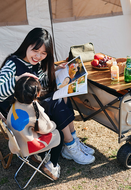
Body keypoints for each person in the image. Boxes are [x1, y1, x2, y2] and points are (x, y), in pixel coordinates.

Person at [0, 27, 95, 165]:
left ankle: (73, 139)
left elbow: (40, 81)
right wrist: (17, 79)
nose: (38, 56)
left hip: (30, 108)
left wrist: (56, 71)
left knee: (62, 95)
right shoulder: (12, 63)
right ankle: (70, 145)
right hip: (17, 114)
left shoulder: (35, 64)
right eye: (35, 50)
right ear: (27, 45)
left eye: (43, 53)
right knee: (55, 102)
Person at [7, 76, 63, 180]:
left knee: (36, 131)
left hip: (17, 144)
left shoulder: (14, 103)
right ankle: (52, 165)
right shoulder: (34, 108)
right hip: (28, 146)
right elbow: (46, 128)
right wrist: (54, 124)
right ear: (37, 94)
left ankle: (40, 156)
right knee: (58, 133)